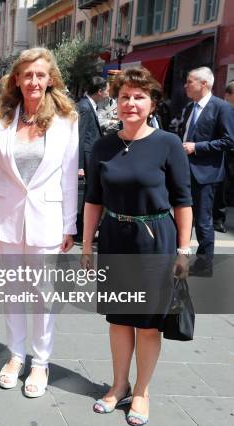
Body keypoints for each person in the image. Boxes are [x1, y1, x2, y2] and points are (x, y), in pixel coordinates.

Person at [82, 67, 193, 426]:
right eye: (125, 96)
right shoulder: (103, 145)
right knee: (118, 320)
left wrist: (183, 251)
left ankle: (142, 392)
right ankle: (119, 386)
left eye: (139, 96)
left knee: (147, 324)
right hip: (115, 238)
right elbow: (93, 200)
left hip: (155, 240)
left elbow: (183, 201)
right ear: (116, 101)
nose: (130, 103)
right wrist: (87, 246)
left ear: (152, 103)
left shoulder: (168, 144)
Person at [0, 48, 78, 398]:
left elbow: (68, 175)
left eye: (40, 74)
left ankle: (40, 362)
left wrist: (70, 224)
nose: (34, 81)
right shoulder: (2, 118)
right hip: (7, 218)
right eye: (27, 75)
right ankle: (15, 356)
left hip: (48, 219)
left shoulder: (67, 119)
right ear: (17, 80)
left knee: (42, 295)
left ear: (50, 78)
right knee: (12, 292)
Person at [180, 67, 234, 275]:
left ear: (204, 84)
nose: (185, 85)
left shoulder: (221, 108)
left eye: (189, 81)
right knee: (182, 217)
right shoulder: (189, 108)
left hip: (205, 173)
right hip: (184, 170)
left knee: (203, 221)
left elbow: (229, 141)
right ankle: (180, 257)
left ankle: (204, 264)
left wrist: (198, 147)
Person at [76, 76, 108, 241]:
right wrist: (79, 164)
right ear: (100, 91)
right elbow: (79, 137)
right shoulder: (85, 107)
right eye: (107, 89)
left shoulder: (88, 105)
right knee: (87, 195)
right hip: (87, 159)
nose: (108, 92)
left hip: (90, 158)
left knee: (90, 193)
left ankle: (83, 230)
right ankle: (81, 231)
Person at [212, 80, 234, 233]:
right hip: (225, 154)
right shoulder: (221, 109)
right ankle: (218, 219)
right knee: (222, 188)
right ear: (228, 95)